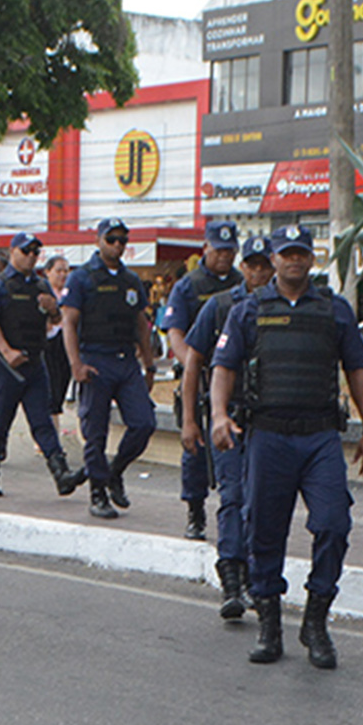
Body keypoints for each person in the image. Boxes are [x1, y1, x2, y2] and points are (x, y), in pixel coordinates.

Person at [209, 224, 363, 668]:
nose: (294, 260)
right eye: (286, 254)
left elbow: (358, 370)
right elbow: (222, 367)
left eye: (302, 253)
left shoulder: (334, 310)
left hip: (320, 437)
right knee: (263, 531)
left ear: (311, 258)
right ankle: (269, 624)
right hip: (268, 435)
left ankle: (316, 619)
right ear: (276, 258)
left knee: (334, 524)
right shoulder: (248, 310)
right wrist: (219, 415)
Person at [182, 233, 275, 618]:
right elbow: (193, 364)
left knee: (261, 502)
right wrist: (189, 420)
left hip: (270, 421)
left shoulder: (284, 308)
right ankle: (232, 580)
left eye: (263, 265)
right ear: (243, 268)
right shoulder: (220, 307)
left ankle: (258, 578)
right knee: (233, 497)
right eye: (251, 265)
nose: (258, 272)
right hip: (230, 418)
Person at [0, 232, 85, 498]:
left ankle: (62, 475)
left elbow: (57, 320)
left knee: (43, 421)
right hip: (6, 367)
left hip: (35, 363)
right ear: (13, 252)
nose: (32, 256)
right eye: (27, 251)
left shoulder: (41, 285)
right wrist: (6, 351)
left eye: (36, 252)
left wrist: (53, 309)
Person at [62, 217, 158, 519]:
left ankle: (114, 472)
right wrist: (76, 365)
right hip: (95, 358)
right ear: (98, 241)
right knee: (96, 432)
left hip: (125, 360)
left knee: (144, 423)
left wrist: (149, 364)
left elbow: (140, 324)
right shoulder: (82, 278)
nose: (117, 245)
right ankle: (98, 493)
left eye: (122, 240)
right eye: (111, 239)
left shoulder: (130, 281)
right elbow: (69, 322)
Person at [163, 222, 245, 539]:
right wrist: (196, 366)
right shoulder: (187, 286)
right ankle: (195, 513)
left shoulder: (243, 281)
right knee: (195, 449)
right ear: (205, 249)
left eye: (229, 250)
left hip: (235, 382)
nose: (224, 255)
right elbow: (175, 335)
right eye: (218, 249)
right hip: (199, 380)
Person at [40, 253, 74, 417]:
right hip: (48, 343)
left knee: (63, 382)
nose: (63, 275)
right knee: (50, 387)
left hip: (67, 342)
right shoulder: (42, 291)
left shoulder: (71, 293)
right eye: (59, 271)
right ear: (48, 271)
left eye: (66, 271)